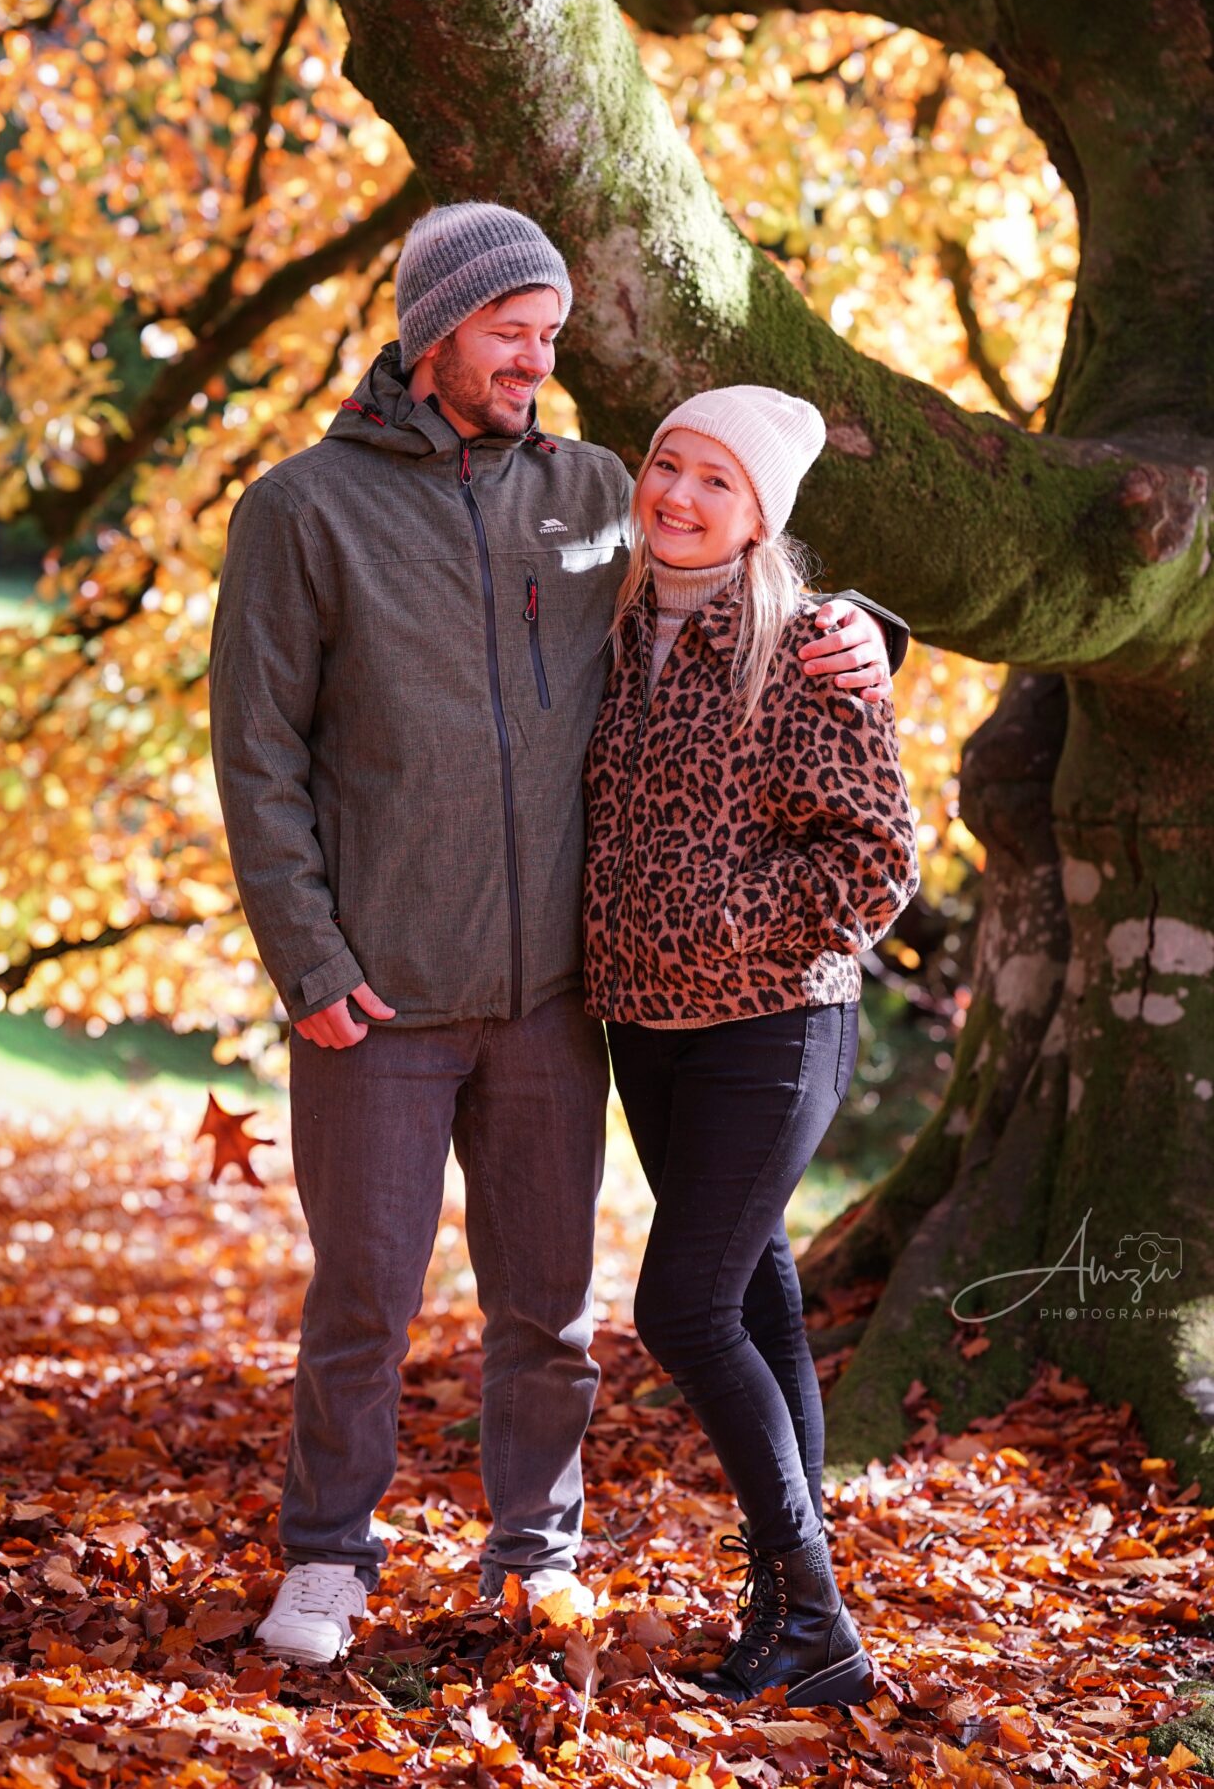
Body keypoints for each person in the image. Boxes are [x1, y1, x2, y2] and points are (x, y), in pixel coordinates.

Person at [208, 201, 908, 1667]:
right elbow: (257, 758)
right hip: (377, 994)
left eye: (550, 336)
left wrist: (864, 622)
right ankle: (328, 1561)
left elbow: (733, 559)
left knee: (552, 1313)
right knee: (363, 1301)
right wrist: (309, 960)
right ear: (433, 334)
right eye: (511, 334)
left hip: (553, 998)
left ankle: (535, 1554)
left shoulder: (589, 490)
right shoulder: (301, 513)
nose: (537, 360)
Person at [582, 386, 921, 1709]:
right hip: (648, 1033)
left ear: (760, 512)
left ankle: (818, 1613)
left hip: (771, 1029)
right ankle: (791, 1608)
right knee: (762, 1298)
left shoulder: (805, 645)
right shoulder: (618, 634)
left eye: (715, 481)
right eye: (667, 465)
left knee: (683, 1307)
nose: (678, 495)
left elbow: (879, 857)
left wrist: (735, 933)